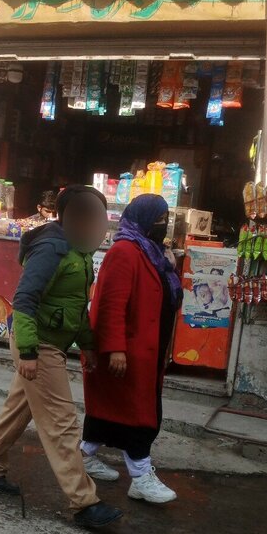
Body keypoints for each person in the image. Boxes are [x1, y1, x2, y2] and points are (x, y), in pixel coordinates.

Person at [0, 185, 123, 530]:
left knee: (17, 410)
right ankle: (84, 502)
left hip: (50, 342)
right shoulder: (53, 248)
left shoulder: (80, 251)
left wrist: (87, 344)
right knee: (61, 422)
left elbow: (75, 306)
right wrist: (28, 352)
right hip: (38, 343)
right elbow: (24, 299)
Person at [80, 195, 183, 504]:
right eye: (158, 219)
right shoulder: (125, 251)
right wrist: (115, 349)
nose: (162, 225)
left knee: (109, 412)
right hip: (128, 351)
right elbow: (110, 305)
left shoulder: (151, 252)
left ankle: (83, 456)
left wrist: (169, 268)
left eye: (165, 219)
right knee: (139, 416)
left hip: (148, 349)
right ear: (143, 219)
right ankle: (140, 477)